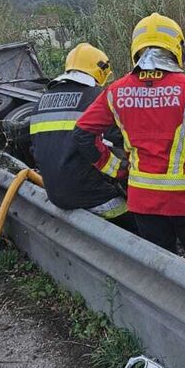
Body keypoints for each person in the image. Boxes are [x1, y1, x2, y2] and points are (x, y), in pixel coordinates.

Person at [75, 13, 185, 273]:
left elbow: (82, 134)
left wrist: (116, 169)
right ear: (176, 48)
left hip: (142, 202)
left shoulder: (116, 91)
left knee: (160, 270)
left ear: (136, 48)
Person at [31, 43, 134, 231]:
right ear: (100, 71)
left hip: (55, 195)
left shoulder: (41, 101)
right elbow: (123, 138)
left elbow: (37, 148)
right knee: (137, 218)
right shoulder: (96, 97)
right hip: (91, 196)